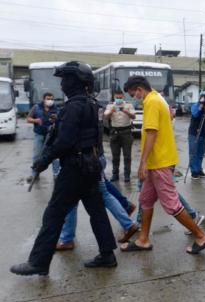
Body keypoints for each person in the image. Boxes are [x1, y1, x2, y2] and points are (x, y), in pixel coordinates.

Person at [10, 61, 118, 276]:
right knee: (97, 212)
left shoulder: (73, 107)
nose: (62, 84)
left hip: (74, 169)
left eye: (65, 80)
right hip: (91, 165)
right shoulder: (92, 104)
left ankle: (38, 262)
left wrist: (44, 161)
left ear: (75, 82)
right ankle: (107, 254)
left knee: (53, 214)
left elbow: (64, 142)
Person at [120, 76, 205, 254]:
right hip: (158, 161)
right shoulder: (158, 98)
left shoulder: (152, 102)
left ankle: (201, 236)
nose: (136, 98)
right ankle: (143, 240)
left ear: (139, 89)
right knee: (145, 200)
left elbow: (151, 134)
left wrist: (142, 163)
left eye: (135, 94)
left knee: (171, 205)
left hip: (159, 162)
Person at [55, 154, 139, 250]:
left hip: (81, 160)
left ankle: (66, 239)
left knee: (70, 199)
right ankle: (128, 224)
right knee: (104, 194)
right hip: (95, 157)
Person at [26, 92, 60, 182]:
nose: (50, 101)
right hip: (39, 135)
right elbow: (28, 119)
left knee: (55, 156)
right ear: (43, 99)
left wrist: (55, 119)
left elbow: (61, 120)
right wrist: (36, 120)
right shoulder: (36, 108)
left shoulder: (56, 109)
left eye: (52, 99)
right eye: (48, 99)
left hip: (52, 135)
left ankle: (56, 175)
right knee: (37, 155)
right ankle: (34, 174)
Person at [104, 90, 135, 182]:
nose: (119, 99)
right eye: (117, 98)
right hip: (115, 132)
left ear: (123, 97)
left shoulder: (128, 105)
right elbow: (106, 117)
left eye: (120, 98)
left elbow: (134, 116)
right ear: (114, 97)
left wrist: (127, 112)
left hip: (126, 132)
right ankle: (115, 174)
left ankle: (127, 175)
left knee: (127, 156)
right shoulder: (110, 105)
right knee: (115, 156)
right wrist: (111, 112)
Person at [188, 92, 205, 179]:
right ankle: (194, 172)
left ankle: (199, 169)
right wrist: (200, 105)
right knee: (193, 153)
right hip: (194, 134)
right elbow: (195, 114)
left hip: (203, 134)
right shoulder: (195, 105)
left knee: (200, 153)